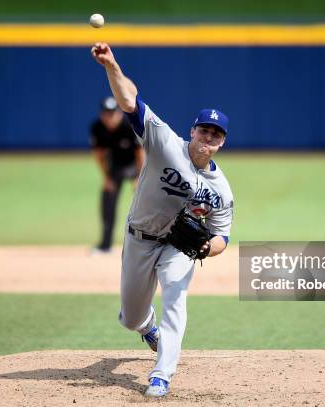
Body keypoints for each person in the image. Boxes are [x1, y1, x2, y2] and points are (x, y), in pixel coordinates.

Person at [91, 42, 234, 397]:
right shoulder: (163, 141)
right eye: (204, 130)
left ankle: (162, 374)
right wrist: (112, 65)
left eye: (215, 134)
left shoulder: (222, 191)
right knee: (131, 317)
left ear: (222, 143)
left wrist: (204, 248)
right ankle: (146, 328)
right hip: (139, 238)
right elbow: (130, 102)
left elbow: (223, 237)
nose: (208, 137)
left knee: (175, 295)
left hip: (177, 249)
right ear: (194, 130)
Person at [89, 96, 144, 254]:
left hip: (135, 165)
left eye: (112, 113)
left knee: (146, 201)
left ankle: (147, 243)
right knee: (107, 200)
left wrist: (140, 177)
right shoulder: (97, 128)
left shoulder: (128, 125)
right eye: (106, 113)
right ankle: (105, 245)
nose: (109, 117)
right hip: (115, 167)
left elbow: (140, 153)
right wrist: (106, 177)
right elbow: (99, 155)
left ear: (119, 113)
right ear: (101, 114)